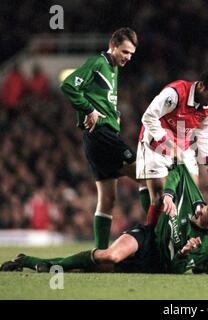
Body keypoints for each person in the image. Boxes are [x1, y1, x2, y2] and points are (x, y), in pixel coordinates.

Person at [0, 165, 208, 274]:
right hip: (147, 237)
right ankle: (32, 261)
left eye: (200, 216)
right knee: (110, 254)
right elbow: (179, 170)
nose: (197, 211)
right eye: (202, 208)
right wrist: (169, 194)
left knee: (91, 269)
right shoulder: (194, 198)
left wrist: (184, 253)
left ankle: (39, 263)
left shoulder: (207, 244)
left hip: (156, 264)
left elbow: (174, 270)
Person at [60, 28, 138, 250]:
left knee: (107, 199)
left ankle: (100, 253)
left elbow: (103, 99)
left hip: (101, 135)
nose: (128, 57)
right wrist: (87, 109)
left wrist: (116, 115)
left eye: (131, 54)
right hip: (101, 135)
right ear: (112, 45)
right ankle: (158, 241)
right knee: (148, 176)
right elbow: (68, 85)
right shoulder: (97, 62)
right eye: (124, 51)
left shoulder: (113, 68)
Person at [136, 70, 208, 225]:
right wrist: (169, 145)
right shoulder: (175, 93)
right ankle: (150, 236)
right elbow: (148, 117)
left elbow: (204, 133)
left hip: (182, 148)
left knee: (191, 194)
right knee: (159, 197)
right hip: (155, 145)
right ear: (202, 87)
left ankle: (179, 238)